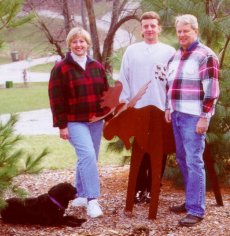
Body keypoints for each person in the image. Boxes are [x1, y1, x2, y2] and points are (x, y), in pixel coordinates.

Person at [48, 27, 109, 218]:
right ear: (69, 45)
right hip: (74, 122)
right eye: (75, 42)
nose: (79, 45)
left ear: (87, 44)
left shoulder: (96, 66)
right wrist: (62, 125)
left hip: (95, 121)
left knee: (88, 158)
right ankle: (92, 200)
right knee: (88, 155)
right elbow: (56, 98)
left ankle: (81, 194)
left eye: (82, 41)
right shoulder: (61, 68)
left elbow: (105, 94)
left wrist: (108, 117)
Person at [165, 14, 219, 227]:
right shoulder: (176, 56)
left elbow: (212, 90)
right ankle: (190, 201)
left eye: (186, 30)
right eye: (179, 31)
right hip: (177, 115)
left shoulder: (205, 55)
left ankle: (196, 210)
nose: (182, 34)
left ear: (195, 31)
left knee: (194, 161)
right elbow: (170, 84)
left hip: (194, 117)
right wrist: (169, 107)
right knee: (182, 159)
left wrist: (205, 117)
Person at [118, 11, 176, 204]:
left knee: (160, 151)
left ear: (159, 28)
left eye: (153, 25)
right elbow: (123, 78)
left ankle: (153, 189)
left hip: (161, 108)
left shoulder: (169, 52)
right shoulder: (132, 51)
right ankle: (137, 188)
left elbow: (173, 81)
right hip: (138, 110)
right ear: (141, 29)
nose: (149, 29)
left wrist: (170, 105)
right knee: (141, 151)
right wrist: (126, 103)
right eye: (146, 26)